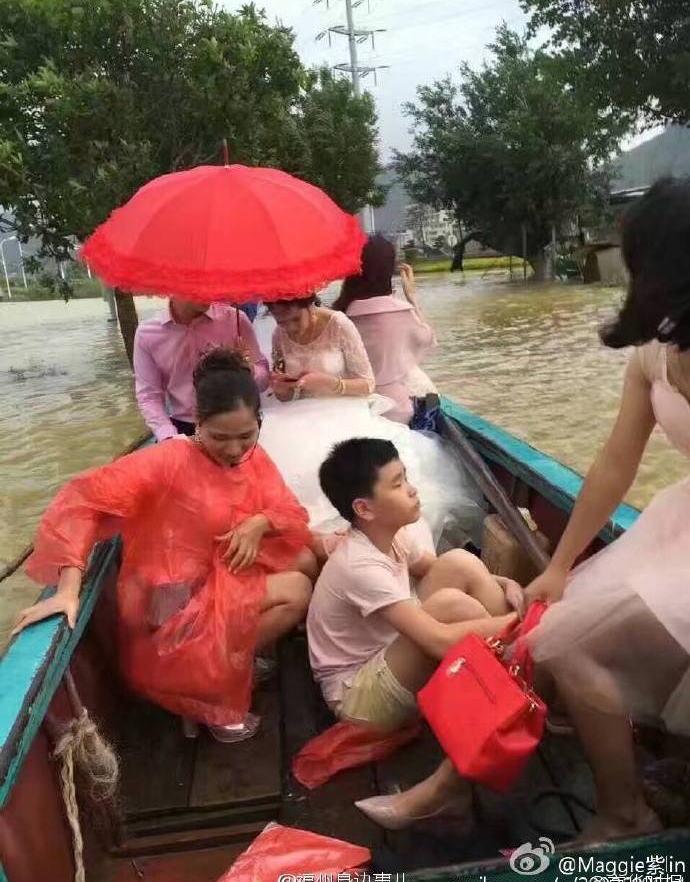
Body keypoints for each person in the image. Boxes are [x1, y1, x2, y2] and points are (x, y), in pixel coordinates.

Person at [13, 349, 314, 743]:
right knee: (298, 589)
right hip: (170, 600)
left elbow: (289, 510)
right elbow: (82, 502)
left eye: (245, 436)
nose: (234, 450)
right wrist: (68, 589)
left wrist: (261, 522)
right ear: (197, 423)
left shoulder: (251, 457)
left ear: (258, 423)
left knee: (304, 556)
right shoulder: (167, 460)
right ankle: (206, 680)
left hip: (215, 576)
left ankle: (224, 662)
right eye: (219, 437)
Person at [524, 178, 690, 842]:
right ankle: (627, 808)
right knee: (560, 630)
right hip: (682, 526)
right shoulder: (655, 350)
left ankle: (629, 808)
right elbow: (616, 464)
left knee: (574, 640)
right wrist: (560, 565)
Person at [307, 437, 518, 828]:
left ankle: (514, 670)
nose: (413, 489)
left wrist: (503, 583)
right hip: (357, 697)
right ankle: (513, 668)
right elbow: (436, 639)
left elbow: (441, 567)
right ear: (364, 509)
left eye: (406, 477)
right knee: (451, 610)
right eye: (398, 483)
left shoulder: (390, 536)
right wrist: (520, 623)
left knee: (460, 562)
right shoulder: (360, 565)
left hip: (384, 655)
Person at [261, 298, 485, 543]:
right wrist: (282, 389)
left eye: (294, 319)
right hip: (297, 415)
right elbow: (286, 390)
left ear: (307, 304)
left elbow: (367, 384)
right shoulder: (278, 334)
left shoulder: (338, 324)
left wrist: (329, 383)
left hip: (344, 410)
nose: (290, 328)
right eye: (279, 319)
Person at [333, 235, 437, 424]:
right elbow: (427, 338)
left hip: (350, 409)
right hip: (396, 412)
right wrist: (412, 298)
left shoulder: (338, 314)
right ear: (388, 270)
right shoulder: (401, 312)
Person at [133, 299, 269, 440]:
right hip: (182, 427)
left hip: (234, 426)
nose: (208, 293)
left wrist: (250, 370)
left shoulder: (235, 320)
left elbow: (264, 382)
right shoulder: (148, 334)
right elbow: (149, 395)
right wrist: (168, 435)